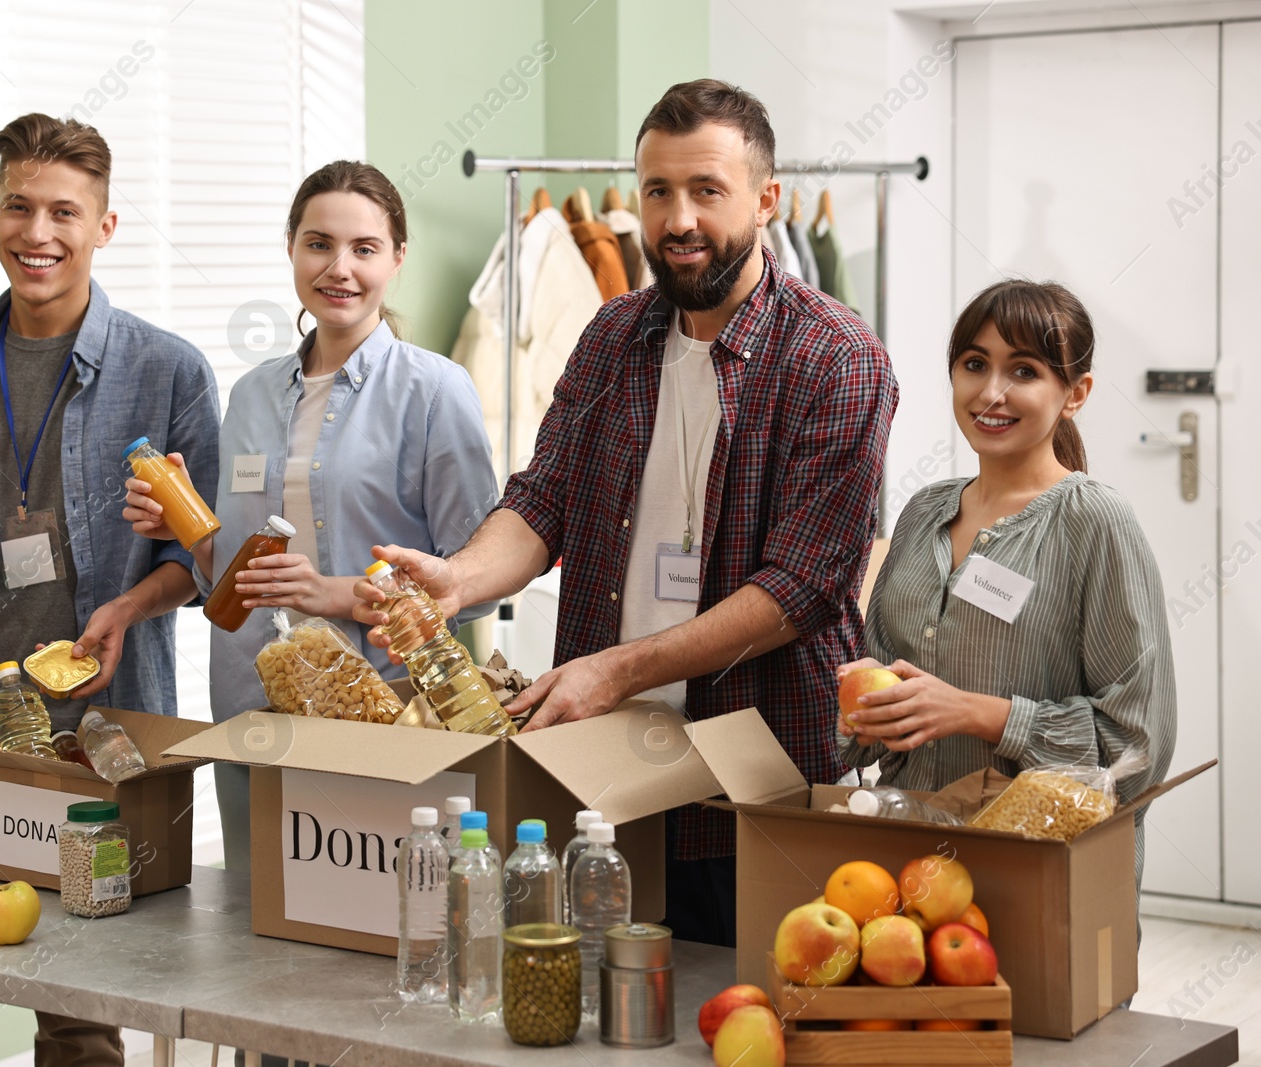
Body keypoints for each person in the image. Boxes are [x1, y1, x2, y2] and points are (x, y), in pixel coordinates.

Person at [351, 79, 899, 947]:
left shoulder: (837, 359)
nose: (677, 219)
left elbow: (799, 588)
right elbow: (543, 499)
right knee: (611, 1011)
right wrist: (458, 579)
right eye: (657, 191)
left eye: (706, 191)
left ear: (767, 201)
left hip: (758, 770)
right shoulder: (614, 334)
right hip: (605, 768)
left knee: (748, 1012)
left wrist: (613, 670)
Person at [0, 113, 220, 1067]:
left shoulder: (170, 369)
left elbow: (208, 563)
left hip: (86, 747)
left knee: (79, 1013)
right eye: (19, 207)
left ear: (105, 227)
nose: (39, 232)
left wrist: (136, 597)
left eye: (65, 211)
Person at [123, 160, 497, 877]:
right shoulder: (253, 394)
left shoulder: (434, 391)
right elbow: (234, 579)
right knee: (252, 929)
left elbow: (475, 581)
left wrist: (329, 593)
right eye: (318, 244)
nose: (340, 268)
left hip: (378, 715)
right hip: (250, 712)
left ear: (396, 259)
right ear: (292, 248)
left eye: (364, 248)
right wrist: (183, 533)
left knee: (366, 939)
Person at [836, 279, 1175, 886]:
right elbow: (880, 679)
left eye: (1024, 370)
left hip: (1038, 877)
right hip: (910, 869)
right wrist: (866, 718)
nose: (991, 392)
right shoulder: (923, 512)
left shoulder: (1094, 521)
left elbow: (1138, 747)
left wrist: (978, 714)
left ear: (1075, 394)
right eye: (974, 364)